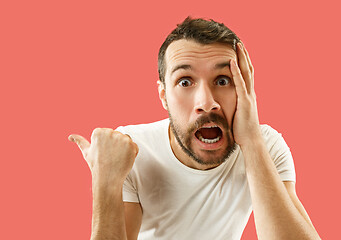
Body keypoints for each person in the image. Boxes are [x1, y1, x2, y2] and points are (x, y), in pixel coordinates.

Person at [69, 17, 321, 240]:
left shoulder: (265, 146)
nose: (207, 103)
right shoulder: (132, 151)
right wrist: (105, 182)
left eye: (223, 81)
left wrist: (252, 141)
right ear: (164, 96)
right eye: (185, 81)